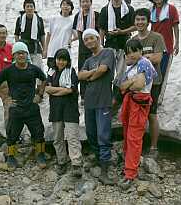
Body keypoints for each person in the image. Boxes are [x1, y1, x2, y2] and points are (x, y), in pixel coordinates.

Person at [0, 42, 47, 170]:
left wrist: (39, 94)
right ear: (14, 55)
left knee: (38, 132)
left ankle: (40, 154)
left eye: (23, 53)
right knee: (12, 134)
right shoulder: (8, 71)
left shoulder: (33, 69)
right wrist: (5, 98)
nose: (21, 55)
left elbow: (44, 79)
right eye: (18, 53)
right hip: (16, 108)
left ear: (27, 54)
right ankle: (11, 157)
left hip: (31, 107)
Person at [78, 29, 115, 185]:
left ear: (98, 38)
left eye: (91, 38)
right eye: (86, 40)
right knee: (91, 132)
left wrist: (90, 76)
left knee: (103, 134)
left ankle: (105, 169)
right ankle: (98, 158)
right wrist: (92, 73)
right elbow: (80, 75)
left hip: (103, 100)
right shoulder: (88, 59)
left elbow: (103, 70)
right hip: (89, 101)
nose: (89, 42)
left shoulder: (107, 52)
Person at [119, 39, 156, 190]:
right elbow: (122, 87)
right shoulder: (133, 66)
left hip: (139, 104)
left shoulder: (144, 63)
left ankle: (130, 173)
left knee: (134, 137)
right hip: (131, 101)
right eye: (129, 52)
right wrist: (131, 82)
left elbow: (140, 85)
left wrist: (131, 83)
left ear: (141, 51)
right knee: (128, 134)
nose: (132, 54)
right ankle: (130, 164)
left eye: (134, 51)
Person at [133, 8, 165, 159]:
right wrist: (147, 57)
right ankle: (136, 145)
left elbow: (158, 59)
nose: (140, 22)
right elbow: (128, 61)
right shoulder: (132, 40)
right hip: (137, 84)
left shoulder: (156, 37)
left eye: (143, 19)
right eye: (137, 20)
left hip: (153, 82)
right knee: (137, 115)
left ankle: (154, 147)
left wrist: (138, 57)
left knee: (152, 115)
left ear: (148, 21)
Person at [45, 48, 82, 177]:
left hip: (70, 109)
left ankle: (76, 163)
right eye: (59, 59)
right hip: (56, 110)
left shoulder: (71, 72)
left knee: (72, 137)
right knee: (57, 138)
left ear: (68, 61)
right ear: (55, 60)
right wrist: (62, 90)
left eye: (64, 59)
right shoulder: (51, 72)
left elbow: (70, 90)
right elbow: (47, 89)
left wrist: (57, 91)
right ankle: (62, 161)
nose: (61, 62)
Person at [99, 0, 136, 106]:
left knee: (121, 72)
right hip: (109, 44)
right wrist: (100, 45)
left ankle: (117, 98)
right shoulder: (105, 10)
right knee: (108, 72)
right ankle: (108, 97)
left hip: (124, 44)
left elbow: (135, 26)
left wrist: (122, 31)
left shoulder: (129, 9)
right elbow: (102, 29)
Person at [147, 0, 180, 105]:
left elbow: (175, 26)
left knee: (163, 73)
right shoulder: (151, 10)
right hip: (153, 48)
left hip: (167, 47)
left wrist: (177, 43)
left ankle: (158, 99)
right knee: (153, 73)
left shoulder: (171, 9)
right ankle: (151, 97)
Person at [72, 0, 99, 105]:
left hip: (94, 47)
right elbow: (76, 30)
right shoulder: (77, 16)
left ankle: (95, 93)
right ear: (80, 3)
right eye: (83, 1)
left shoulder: (96, 15)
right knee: (83, 70)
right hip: (82, 47)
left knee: (94, 70)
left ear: (90, 3)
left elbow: (100, 31)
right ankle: (83, 95)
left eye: (87, 1)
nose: (85, 3)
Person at [43, 0, 77, 69]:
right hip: (52, 50)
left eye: (68, 5)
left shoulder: (72, 21)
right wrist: (45, 50)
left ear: (71, 8)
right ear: (61, 7)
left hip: (65, 51)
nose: (65, 7)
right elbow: (48, 35)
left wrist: (71, 40)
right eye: (64, 4)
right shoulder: (53, 19)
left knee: (64, 74)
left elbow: (77, 36)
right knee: (52, 73)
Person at [14, 0, 46, 71]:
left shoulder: (39, 19)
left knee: (38, 69)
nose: (29, 8)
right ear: (24, 8)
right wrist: (18, 46)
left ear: (34, 8)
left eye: (31, 6)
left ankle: (38, 82)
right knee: (24, 69)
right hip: (24, 48)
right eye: (27, 6)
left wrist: (44, 49)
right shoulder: (20, 19)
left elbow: (42, 35)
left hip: (35, 48)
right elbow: (16, 34)